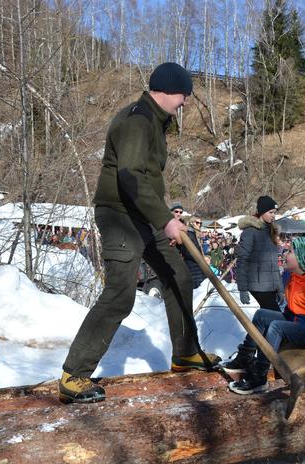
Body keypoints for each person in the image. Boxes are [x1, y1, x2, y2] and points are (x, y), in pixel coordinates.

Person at [58, 62, 218, 404]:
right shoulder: (137, 120)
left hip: (143, 214)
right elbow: (130, 177)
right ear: (164, 90)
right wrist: (165, 219)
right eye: (183, 96)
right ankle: (74, 374)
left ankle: (186, 353)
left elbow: (145, 180)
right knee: (120, 293)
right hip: (119, 215)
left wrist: (164, 219)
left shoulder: (155, 123)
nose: (185, 103)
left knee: (178, 275)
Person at [226, 237, 305, 394]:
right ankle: (245, 355)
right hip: (296, 321)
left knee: (276, 327)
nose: (285, 253)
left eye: (290, 251)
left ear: (303, 259)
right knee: (261, 314)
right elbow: (293, 308)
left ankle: (259, 376)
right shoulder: (295, 277)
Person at [235, 196, 283, 311]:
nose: (273, 215)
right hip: (257, 287)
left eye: (274, 213)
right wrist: (242, 289)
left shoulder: (270, 232)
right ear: (262, 212)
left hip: (270, 287)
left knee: (269, 320)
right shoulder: (250, 232)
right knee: (275, 318)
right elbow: (242, 260)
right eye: (270, 212)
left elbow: (274, 265)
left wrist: (279, 288)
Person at [170, 203, 206, 290]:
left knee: (200, 289)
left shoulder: (186, 228)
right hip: (186, 261)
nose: (178, 213)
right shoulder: (169, 226)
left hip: (196, 260)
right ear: (171, 212)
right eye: (176, 211)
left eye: (180, 212)